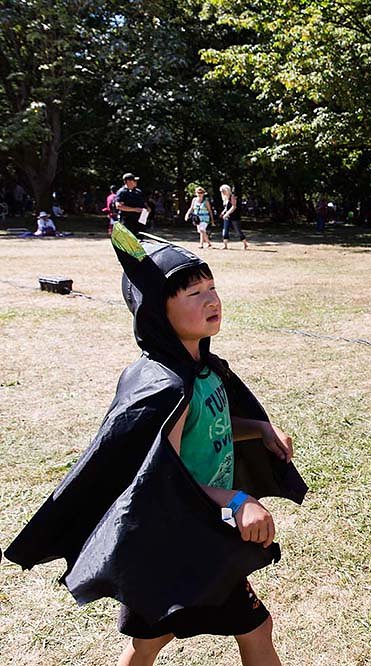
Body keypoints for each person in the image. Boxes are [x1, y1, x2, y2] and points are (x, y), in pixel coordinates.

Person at [5, 224, 307, 666]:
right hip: (172, 533)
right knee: (200, 634)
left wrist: (257, 429)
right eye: (192, 293)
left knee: (188, 635)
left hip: (197, 528)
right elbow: (158, 476)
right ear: (156, 312)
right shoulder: (164, 387)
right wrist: (237, 499)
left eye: (212, 287)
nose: (211, 300)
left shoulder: (202, 371)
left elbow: (210, 426)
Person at [219, 184, 248, 250]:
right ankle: (225, 245)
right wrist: (223, 212)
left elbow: (233, 207)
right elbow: (226, 207)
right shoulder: (225, 198)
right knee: (225, 230)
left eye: (223, 191)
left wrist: (227, 213)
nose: (222, 192)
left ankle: (245, 244)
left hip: (234, 216)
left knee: (238, 231)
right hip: (227, 217)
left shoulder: (232, 197)